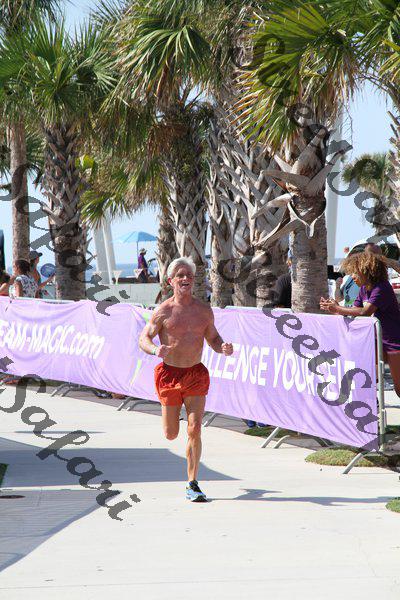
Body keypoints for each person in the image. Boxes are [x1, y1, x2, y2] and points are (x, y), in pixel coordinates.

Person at [139, 256, 233, 502]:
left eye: (189, 275)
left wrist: (223, 347)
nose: (185, 278)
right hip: (169, 375)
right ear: (170, 281)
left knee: (195, 428)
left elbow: (213, 339)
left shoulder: (203, 310)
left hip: (195, 374)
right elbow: (144, 339)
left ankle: (193, 483)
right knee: (171, 433)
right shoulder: (164, 311)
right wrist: (155, 350)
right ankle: (172, 416)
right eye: (180, 275)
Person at [320, 251, 400, 396]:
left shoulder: (381, 287)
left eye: (355, 273)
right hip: (376, 342)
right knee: (365, 375)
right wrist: (333, 308)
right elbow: (354, 310)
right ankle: (372, 403)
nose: (352, 277)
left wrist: (337, 308)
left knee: (399, 389)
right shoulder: (364, 289)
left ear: (367, 271)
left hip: (394, 342)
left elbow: (365, 312)